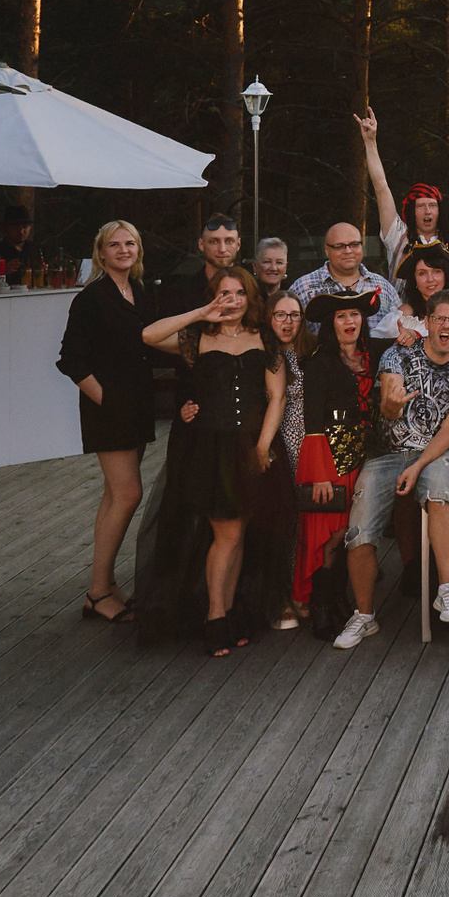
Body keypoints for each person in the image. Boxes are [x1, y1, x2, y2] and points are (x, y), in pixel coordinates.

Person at [134, 268, 288, 655]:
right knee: (227, 535)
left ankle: (228, 610)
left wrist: (263, 446)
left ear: (250, 298)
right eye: (224, 294)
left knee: (239, 533)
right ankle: (215, 616)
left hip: (251, 448)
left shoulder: (265, 338)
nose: (232, 301)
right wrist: (202, 313)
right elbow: (148, 335)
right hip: (211, 449)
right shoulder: (196, 338)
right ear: (213, 297)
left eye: (239, 294)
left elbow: (277, 396)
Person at [333, 287, 449, 649]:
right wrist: (393, 405)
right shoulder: (398, 354)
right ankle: (364, 616)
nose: (445, 325)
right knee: (360, 526)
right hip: (386, 453)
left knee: (439, 492)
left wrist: (418, 467)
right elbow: (388, 402)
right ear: (426, 322)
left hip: (435, 452)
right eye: (439, 318)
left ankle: (447, 590)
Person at [58, 220, 159, 624]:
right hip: (108, 409)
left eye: (129, 243)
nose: (123, 250)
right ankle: (98, 593)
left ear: (138, 250)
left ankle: (105, 585)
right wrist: (107, 401)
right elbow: (70, 360)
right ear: (100, 253)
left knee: (113, 496)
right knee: (129, 493)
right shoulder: (90, 299)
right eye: (114, 245)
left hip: (138, 406)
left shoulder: (141, 292)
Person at [291, 291, 377, 620]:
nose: (349, 321)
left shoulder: (370, 355)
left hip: (361, 455)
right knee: (331, 533)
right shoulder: (320, 362)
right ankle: (320, 605)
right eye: (341, 316)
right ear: (332, 323)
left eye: (354, 314)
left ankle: (338, 598)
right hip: (327, 457)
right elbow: (312, 421)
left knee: (350, 531)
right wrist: (319, 475)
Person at [359, 108, 449, 279]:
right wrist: (370, 142)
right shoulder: (398, 237)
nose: (427, 211)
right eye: (420, 206)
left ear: (440, 210)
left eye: (432, 205)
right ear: (411, 210)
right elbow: (381, 187)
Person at [265, 290, 314, 626]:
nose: (287, 322)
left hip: (307, 441)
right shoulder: (261, 353)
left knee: (304, 515)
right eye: (280, 315)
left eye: (294, 315)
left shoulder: (311, 352)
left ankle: (302, 589)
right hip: (272, 439)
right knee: (278, 517)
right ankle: (279, 594)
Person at [289, 221, 404, 341]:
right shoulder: (303, 287)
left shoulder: (383, 286)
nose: (348, 251)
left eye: (354, 244)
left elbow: (402, 327)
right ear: (326, 250)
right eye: (340, 246)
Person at [157, 215, 242, 319]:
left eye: (229, 241)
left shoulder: (251, 288)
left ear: (238, 244)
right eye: (214, 242)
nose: (222, 249)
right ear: (201, 244)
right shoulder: (179, 293)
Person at [0, 203, 35, 285]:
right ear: (6, 228)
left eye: (24, 227)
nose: (21, 231)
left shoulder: (35, 250)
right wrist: (1, 272)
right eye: (16, 227)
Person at [253, 238, 289, 302]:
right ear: (255, 266)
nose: (273, 268)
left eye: (279, 262)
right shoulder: (247, 297)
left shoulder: (291, 296)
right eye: (267, 262)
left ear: (285, 267)